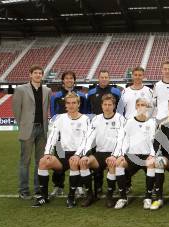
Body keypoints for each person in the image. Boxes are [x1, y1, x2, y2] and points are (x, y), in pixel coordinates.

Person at [32, 92, 90, 208]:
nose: (71, 105)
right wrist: (47, 153)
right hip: (63, 156)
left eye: (74, 103)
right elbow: (52, 136)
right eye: (68, 103)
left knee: (73, 162)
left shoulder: (85, 119)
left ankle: (71, 197)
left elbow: (87, 140)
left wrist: (78, 154)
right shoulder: (60, 118)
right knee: (43, 162)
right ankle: (44, 196)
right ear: (65, 105)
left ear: (78, 104)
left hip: (78, 155)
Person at [76, 94, 126, 208]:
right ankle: (90, 195)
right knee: (83, 163)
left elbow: (122, 140)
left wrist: (114, 155)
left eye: (110, 104)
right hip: (99, 154)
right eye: (105, 104)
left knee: (112, 164)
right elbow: (88, 138)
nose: (107, 107)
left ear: (114, 106)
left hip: (114, 154)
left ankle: (109, 195)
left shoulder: (120, 119)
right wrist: (83, 155)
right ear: (101, 105)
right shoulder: (96, 119)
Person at [12, 65, 51, 199]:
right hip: (28, 128)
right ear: (30, 74)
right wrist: (23, 125)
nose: (38, 75)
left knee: (40, 161)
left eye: (40, 73)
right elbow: (17, 110)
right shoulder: (21, 89)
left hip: (42, 129)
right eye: (35, 73)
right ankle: (23, 190)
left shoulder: (47, 90)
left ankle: (38, 189)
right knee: (25, 161)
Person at [112, 98, 156, 209]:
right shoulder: (130, 122)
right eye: (139, 105)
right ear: (136, 107)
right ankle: (122, 198)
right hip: (132, 155)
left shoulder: (151, 123)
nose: (141, 107)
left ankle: (148, 197)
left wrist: (152, 154)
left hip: (146, 155)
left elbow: (153, 141)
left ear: (147, 107)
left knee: (151, 164)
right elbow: (124, 140)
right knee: (119, 164)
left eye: (143, 105)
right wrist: (121, 154)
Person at [49, 70, 87, 198]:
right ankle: (58, 186)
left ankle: (79, 186)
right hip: (61, 137)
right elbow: (53, 115)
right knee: (60, 163)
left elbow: (86, 113)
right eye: (67, 78)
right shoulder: (56, 96)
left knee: (78, 160)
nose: (69, 80)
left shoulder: (81, 96)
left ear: (74, 81)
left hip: (77, 136)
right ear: (63, 80)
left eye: (71, 78)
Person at [87, 70, 121, 196]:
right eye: (102, 77)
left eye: (106, 77)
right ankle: (98, 186)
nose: (104, 79)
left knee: (114, 162)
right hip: (98, 129)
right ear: (98, 78)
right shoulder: (91, 93)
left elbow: (121, 108)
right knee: (96, 162)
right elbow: (87, 109)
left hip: (112, 126)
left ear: (109, 78)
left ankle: (122, 186)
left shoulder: (116, 92)